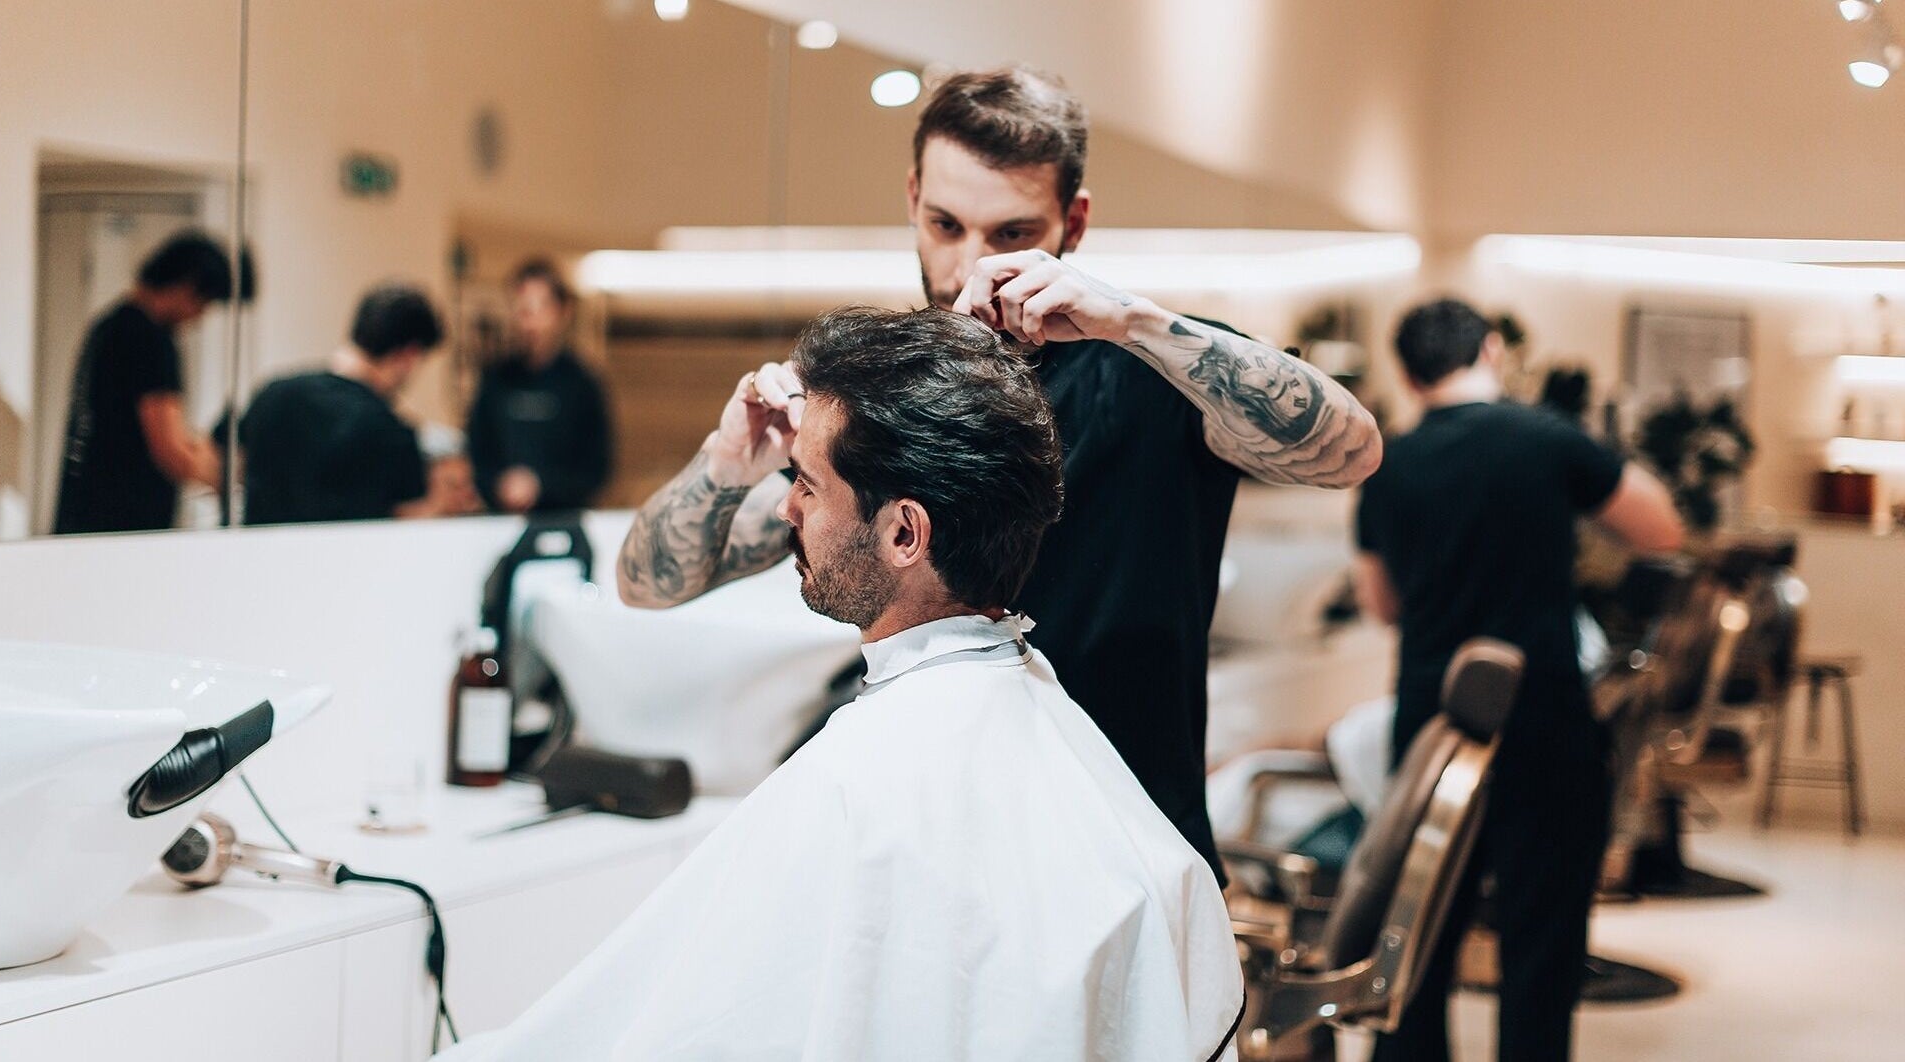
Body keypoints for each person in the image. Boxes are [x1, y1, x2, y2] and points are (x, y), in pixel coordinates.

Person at [617, 67, 1382, 881]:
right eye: (946, 225)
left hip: (1127, 862)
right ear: (912, 198)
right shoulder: (884, 402)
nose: (967, 269)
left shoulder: (1150, 375)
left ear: (1073, 223)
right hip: (937, 855)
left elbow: (1351, 450)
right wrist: (727, 465)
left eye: (1012, 235)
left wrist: (1134, 321)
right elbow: (650, 583)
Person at [445, 307, 1244, 1061]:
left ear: (904, 532)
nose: (787, 508)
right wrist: (729, 461)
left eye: (808, 484)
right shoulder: (1057, 737)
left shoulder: (858, 785)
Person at [1353, 298, 1685, 1062]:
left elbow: (1382, 604)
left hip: (1435, 723)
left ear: (1406, 373)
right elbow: (1660, 527)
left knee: (1421, 934)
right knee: (1542, 939)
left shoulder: (1387, 461)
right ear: (1493, 352)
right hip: (1542, 719)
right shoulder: (1546, 438)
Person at [53, 230, 252, 534]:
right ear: (188, 285)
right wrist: (231, 481)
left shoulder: (108, 325)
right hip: (124, 527)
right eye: (204, 304)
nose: (198, 318)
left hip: (83, 515)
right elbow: (170, 449)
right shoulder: (150, 339)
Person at [235, 284, 479, 524]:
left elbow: (221, 465)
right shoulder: (390, 431)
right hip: (348, 562)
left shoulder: (273, 394)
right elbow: (408, 523)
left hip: (261, 558)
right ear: (410, 354)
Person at [466, 258, 613, 514]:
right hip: (500, 521)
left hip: (563, 519)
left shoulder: (582, 384)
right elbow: (477, 451)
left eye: (539, 308)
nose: (530, 320)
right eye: (521, 309)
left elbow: (597, 467)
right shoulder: (495, 379)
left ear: (562, 311)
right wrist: (498, 485)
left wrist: (542, 486)